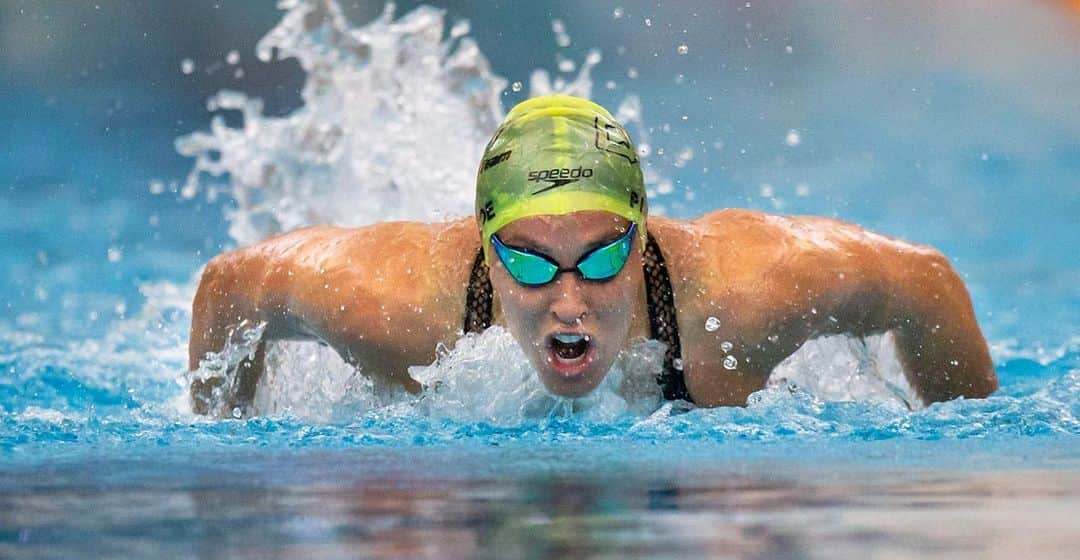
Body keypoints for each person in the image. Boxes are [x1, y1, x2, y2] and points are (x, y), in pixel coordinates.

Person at [188, 94, 997, 416]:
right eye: (532, 262)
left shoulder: (741, 297)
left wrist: (960, 451)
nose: (567, 300)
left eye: (601, 258)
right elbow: (230, 287)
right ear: (486, 247)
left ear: (642, 238)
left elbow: (925, 281)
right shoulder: (399, 308)